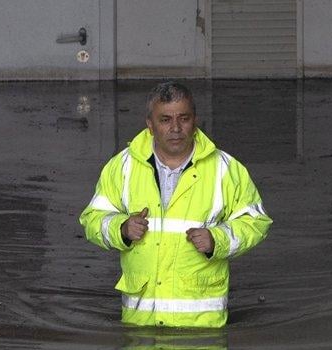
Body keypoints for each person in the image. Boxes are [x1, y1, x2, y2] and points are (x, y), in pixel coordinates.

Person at [79, 81, 272, 327]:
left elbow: (257, 222)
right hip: (140, 326)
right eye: (165, 120)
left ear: (195, 121)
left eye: (184, 118)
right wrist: (122, 229)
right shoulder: (122, 167)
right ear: (150, 124)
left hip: (203, 328)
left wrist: (217, 239)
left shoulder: (224, 169)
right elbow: (92, 218)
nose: (176, 128)